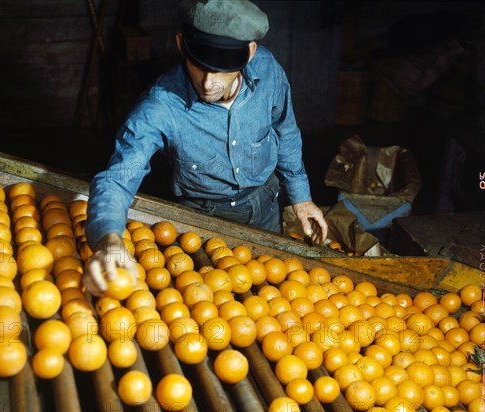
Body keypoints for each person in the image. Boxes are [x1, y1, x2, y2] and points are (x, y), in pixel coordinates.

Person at [84, 0, 328, 295]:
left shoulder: (269, 72)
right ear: (181, 45)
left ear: (249, 53)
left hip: (265, 210)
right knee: (206, 304)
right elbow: (120, 175)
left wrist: (301, 198)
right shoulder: (161, 105)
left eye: (222, 69)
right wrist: (108, 238)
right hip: (200, 223)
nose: (208, 82)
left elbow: (285, 132)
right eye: (198, 64)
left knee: (267, 298)